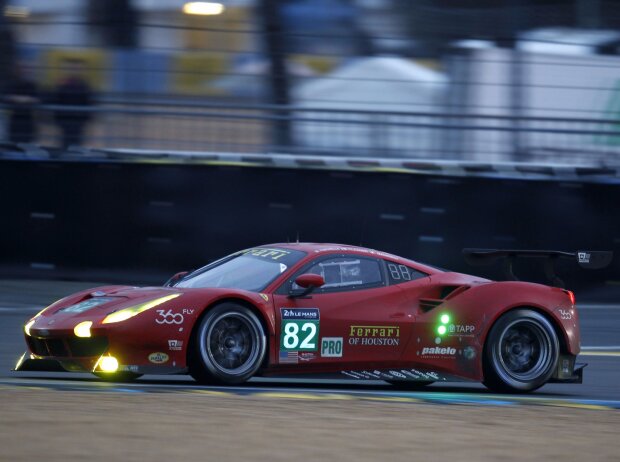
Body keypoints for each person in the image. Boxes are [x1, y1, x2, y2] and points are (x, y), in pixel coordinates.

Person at [52, 58, 94, 149]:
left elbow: (88, 102)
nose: (75, 71)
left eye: (78, 68)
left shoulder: (84, 85)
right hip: (64, 121)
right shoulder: (62, 84)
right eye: (73, 68)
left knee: (76, 145)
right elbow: (56, 98)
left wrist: (86, 119)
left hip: (78, 122)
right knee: (65, 144)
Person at [4, 62, 39, 144]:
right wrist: (19, 99)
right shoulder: (12, 83)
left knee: (26, 142)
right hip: (15, 119)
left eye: (26, 69)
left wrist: (26, 99)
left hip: (28, 119)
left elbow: (39, 98)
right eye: (22, 69)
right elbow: (5, 97)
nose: (25, 71)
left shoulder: (32, 85)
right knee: (14, 142)